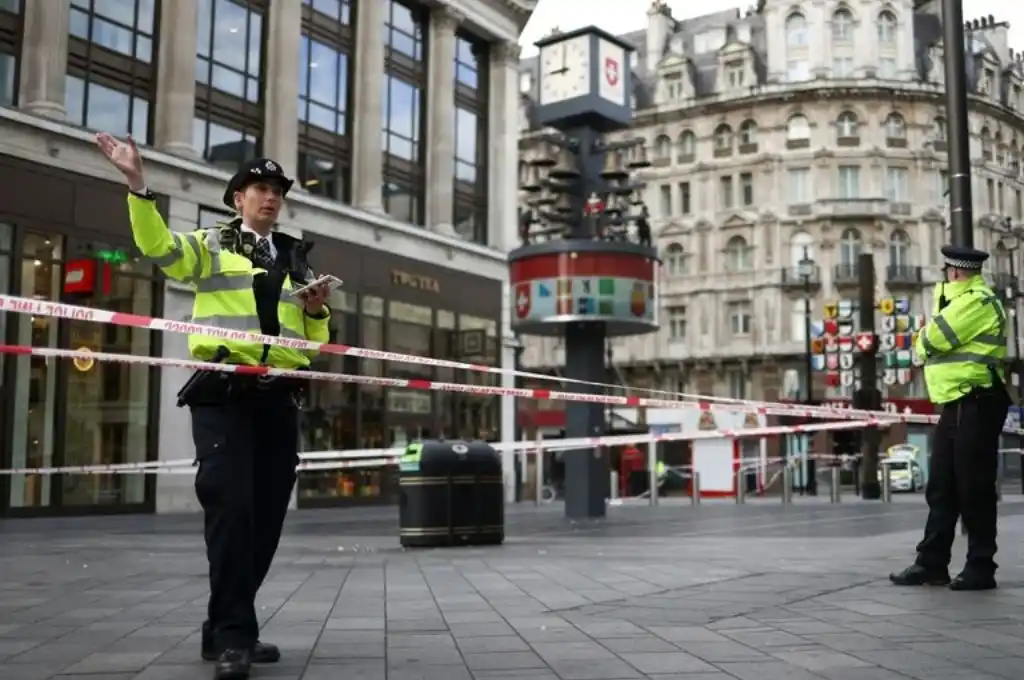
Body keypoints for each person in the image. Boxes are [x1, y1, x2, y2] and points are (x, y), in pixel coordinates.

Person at [95, 133, 331, 680]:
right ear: (237, 199)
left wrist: (317, 312)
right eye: (258, 189)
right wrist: (136, 183)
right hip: (223, 393)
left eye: (276, 191)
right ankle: (233, 637)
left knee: (268, 519)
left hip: (279, 397)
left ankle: (224, 624)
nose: (269, 198)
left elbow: (313, 343)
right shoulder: (209, 244)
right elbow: (158, 249)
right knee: (230, 508)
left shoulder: (295, 257)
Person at [890, 244, 1010, 592]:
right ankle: (931, 564)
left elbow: (931, 340)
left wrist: (923, 338)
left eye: (947, 271)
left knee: (974, 489)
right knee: (941, 487)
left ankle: (981, 566)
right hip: (955, 405)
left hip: (977, 401)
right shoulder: (958, 302)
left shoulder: (977, 301)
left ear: (954, 272)